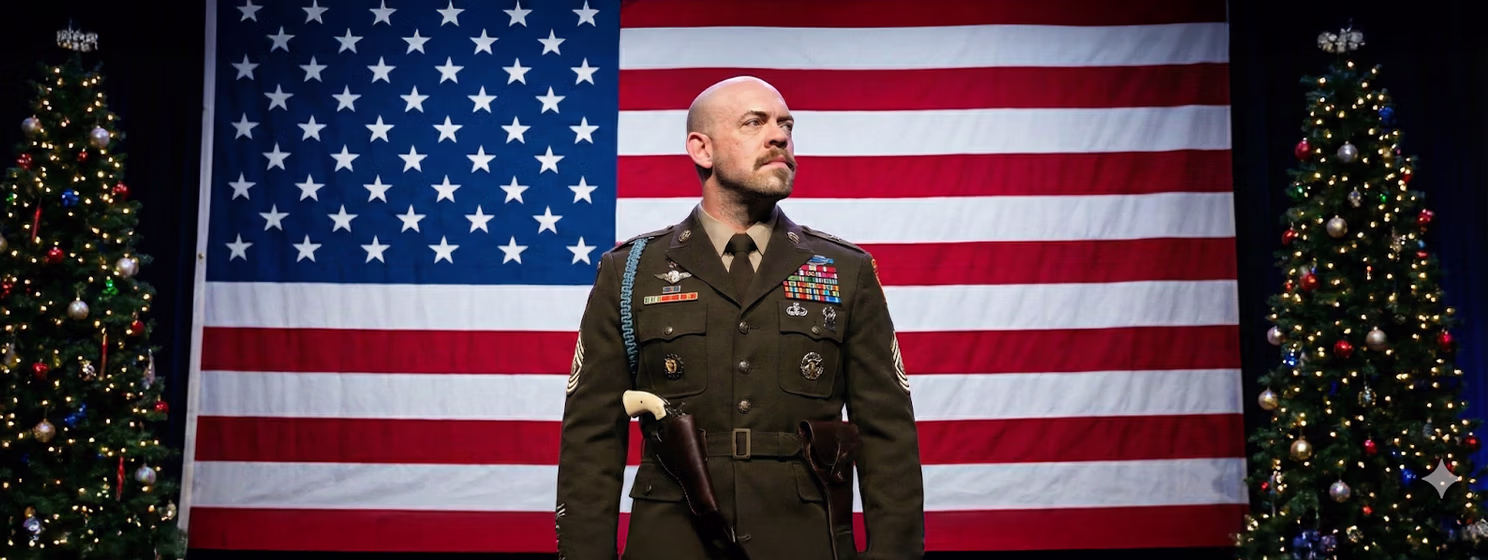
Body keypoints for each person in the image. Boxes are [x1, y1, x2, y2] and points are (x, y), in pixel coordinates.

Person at [555, 76, 924, 560]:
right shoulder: (631, 272)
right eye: (755, 123)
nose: (780, 136)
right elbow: (592, 435)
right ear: (701, 149)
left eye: (785, 125)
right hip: (671, 539)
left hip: (803, 540)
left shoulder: (845, 270)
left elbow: (886, 434)